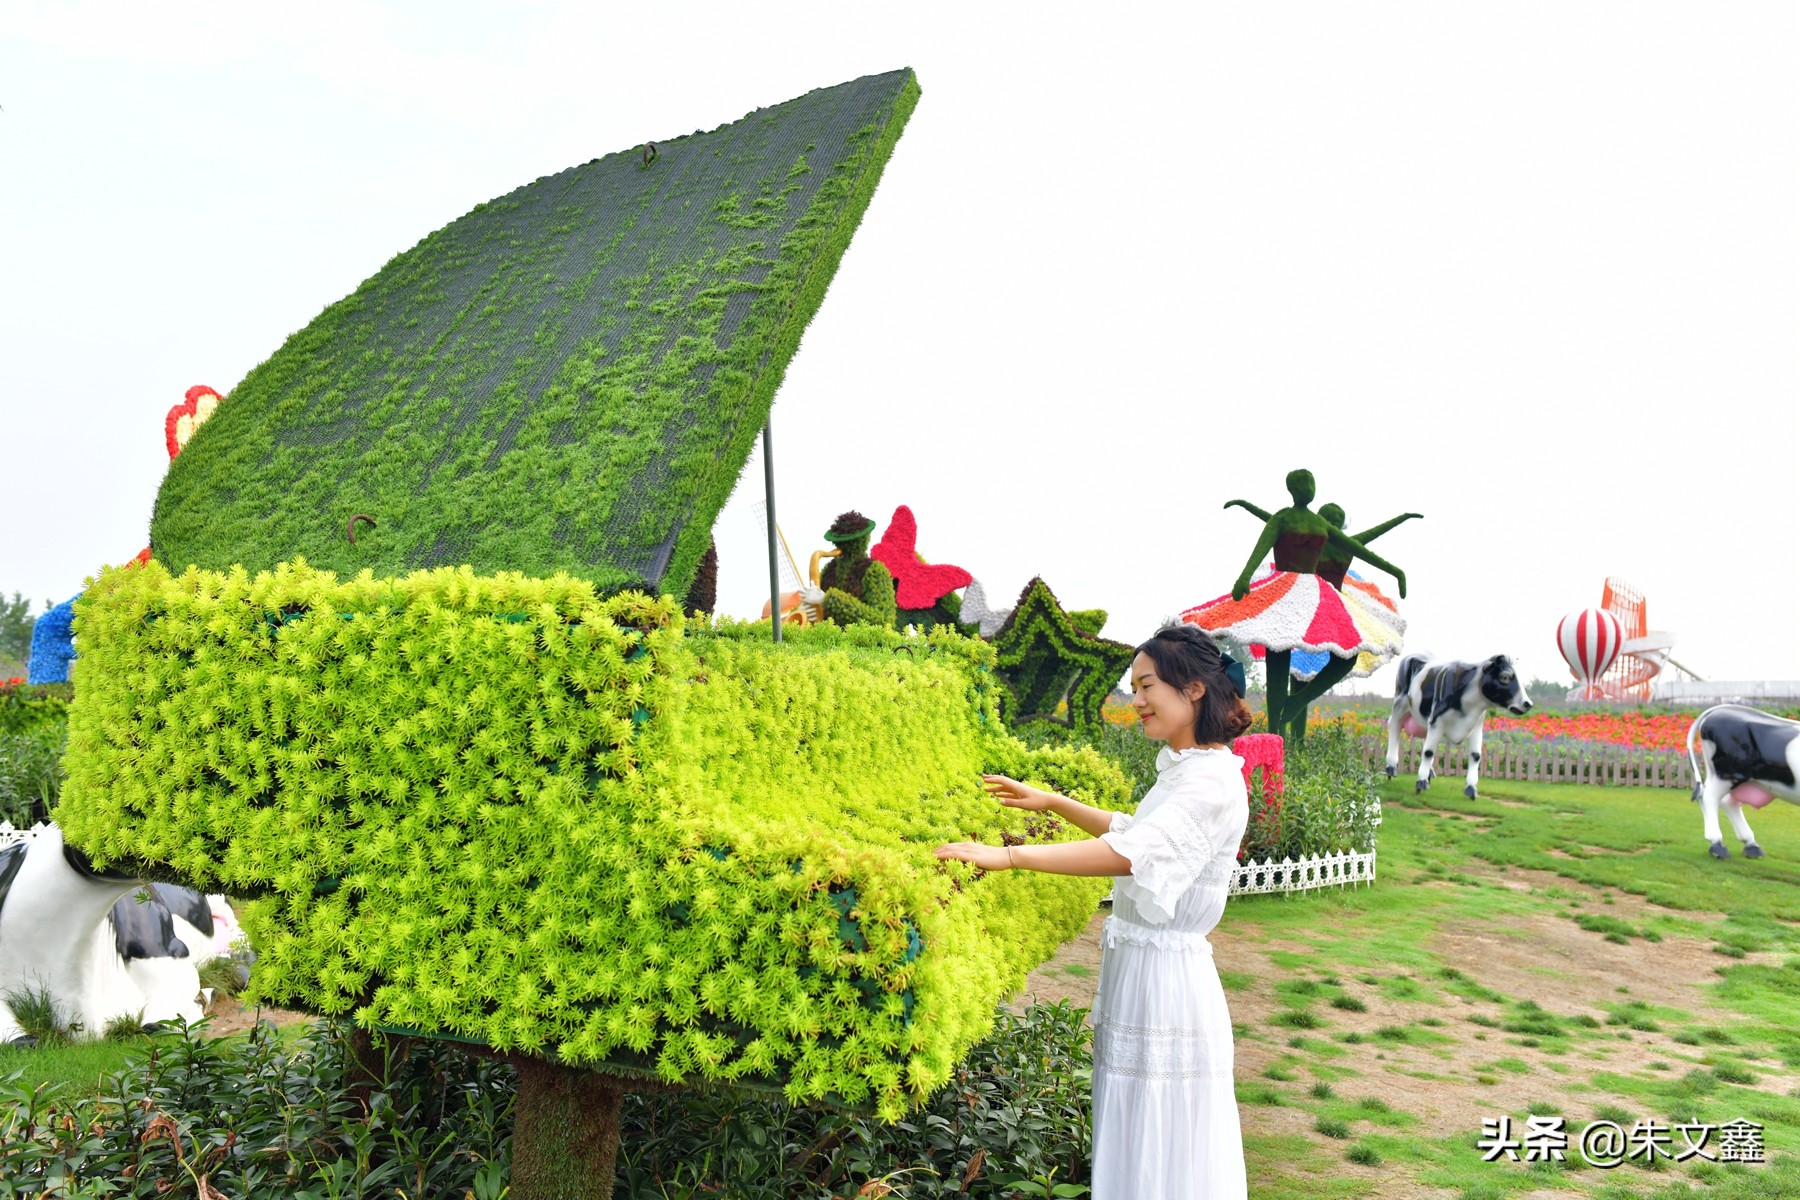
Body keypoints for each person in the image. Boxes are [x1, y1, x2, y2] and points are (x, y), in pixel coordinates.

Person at [935, 624, 1253, 1198]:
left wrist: (1009, 857)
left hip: (1167, 982)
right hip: (1147, 969)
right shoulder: (1190, 769)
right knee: (1137, 1120)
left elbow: (1131, 855)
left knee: (1160, 1127)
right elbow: (1139, 833)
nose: (1136, 701)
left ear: (1195, 690)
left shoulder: (1210, 782)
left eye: (1147, 685)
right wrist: (1055, 801)